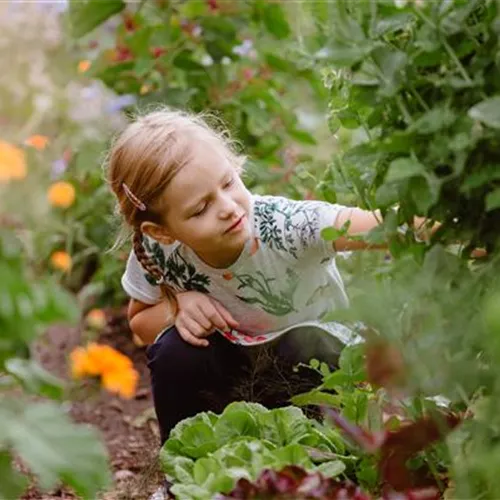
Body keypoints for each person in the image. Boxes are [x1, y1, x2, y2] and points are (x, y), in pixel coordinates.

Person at [106, 108, 422, 446]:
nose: (228, 206)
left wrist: (466, 232)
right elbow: (140, 323)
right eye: (200, 209)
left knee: (319, 353)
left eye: (228, 183)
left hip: (317, 373)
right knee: (174, 351)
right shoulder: (157, 249)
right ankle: (185, 462)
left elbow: (384, 227)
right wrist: (178, 308)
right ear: (162, 231)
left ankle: (334, 449)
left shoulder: (285, 227)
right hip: (234, 386)